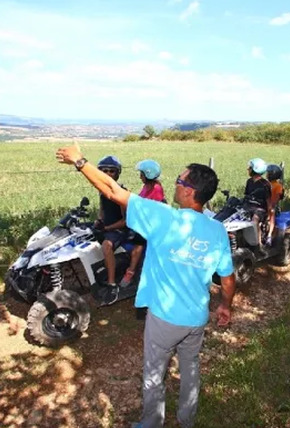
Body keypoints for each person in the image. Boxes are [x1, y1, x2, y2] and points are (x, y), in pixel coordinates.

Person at [55, 145, 236, 428]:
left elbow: (113, 191)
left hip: (165, 317)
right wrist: (225, 305)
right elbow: (227, 277)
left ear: (189, 192)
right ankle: (186, 420)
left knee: (154, 373)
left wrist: (79, 161)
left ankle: (151, 422)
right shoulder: (216, 229)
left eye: (179, 180)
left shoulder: (165, 217)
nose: (174, 183)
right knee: (190, 367)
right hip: (197, 317)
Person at [120, 159, 167, 288]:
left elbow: (150, 207)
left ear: (148, 174)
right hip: (145, 221)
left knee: (138, 245)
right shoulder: (147, 186)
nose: (140, 176)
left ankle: (130, 272)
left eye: (141, 174)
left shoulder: (156, 188)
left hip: (153, 224)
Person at [94, 155, 128, 287]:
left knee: (107, 245)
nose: (108, 174)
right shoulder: (102, 191)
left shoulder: (121, 193)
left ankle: (111, 281)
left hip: (119, 229)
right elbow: (102, 209)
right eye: (104, 171)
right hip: (107, 226)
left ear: (117, 173)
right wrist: (99, 220)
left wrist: (107, 228)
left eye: (111, 171)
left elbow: (125, 221)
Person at [244, 158, 272, 252]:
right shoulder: (249, 182)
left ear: (256, 169)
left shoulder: (265, 184)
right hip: (249, 206)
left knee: (255, 220)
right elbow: (246, 196)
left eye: (250, 168)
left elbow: (268, 201)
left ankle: (258, 245)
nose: (248, 169)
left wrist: (269, 214)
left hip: (260, 209)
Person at [265, 164, 284, 245]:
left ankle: (269, 236)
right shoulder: (266, 183)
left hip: (272, 206)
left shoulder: (278, 186)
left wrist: (271, 206)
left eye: (268, 173)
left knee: (271, 213)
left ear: (272, 175)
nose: (266, 174)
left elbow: (276, 198)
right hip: (263, 204)